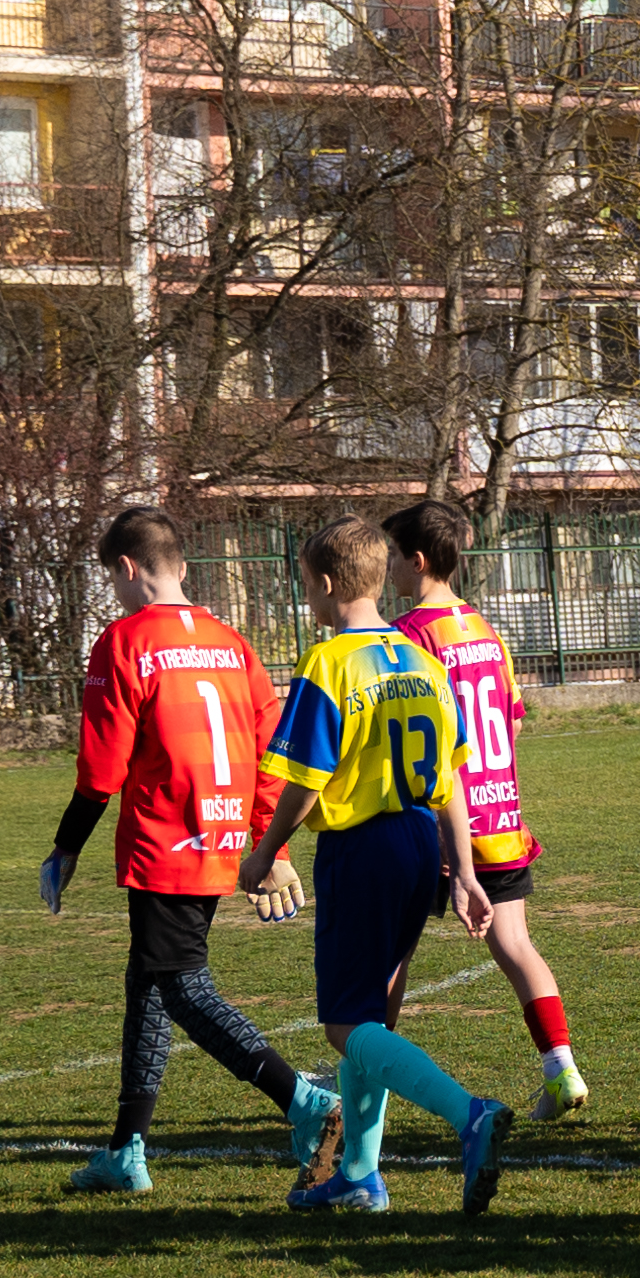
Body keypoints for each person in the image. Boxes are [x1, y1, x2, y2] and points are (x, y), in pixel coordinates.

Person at [232, 520, 506, 1221]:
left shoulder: (331, 663)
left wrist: (264, 853)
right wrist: (464, 872)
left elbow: (305, 777)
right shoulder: (420, 661)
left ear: (324, 585)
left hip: (364, 850)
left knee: (346, 1025)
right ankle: (358, 1172)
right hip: (422, 843)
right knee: (374, 1013)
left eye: (305, 585)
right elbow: (451, 775)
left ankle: (469, 1114)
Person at [39, 508, 310, 1197]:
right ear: (182, 565)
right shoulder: (233, 643)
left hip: (169, 837)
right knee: (150, 987)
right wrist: (259, 836)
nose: (116, 594)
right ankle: (126, 1150)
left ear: (128, 569)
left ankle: (303, 1100)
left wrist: (65, 847)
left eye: (114, 580)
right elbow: (272, 749)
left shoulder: (125, 641)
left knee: (182, 988)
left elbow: (101, 770)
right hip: (219, 835)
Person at [389, 499, 589, 1123]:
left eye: (394, 556)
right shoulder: (484, 629)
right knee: (515, 943)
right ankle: (562, 1068)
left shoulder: (407, 635)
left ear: (416, 561)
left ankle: (359, 1073)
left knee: (388, 957)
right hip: (499, 819)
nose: (390, 567)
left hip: (437, 824)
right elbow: (512, 720)